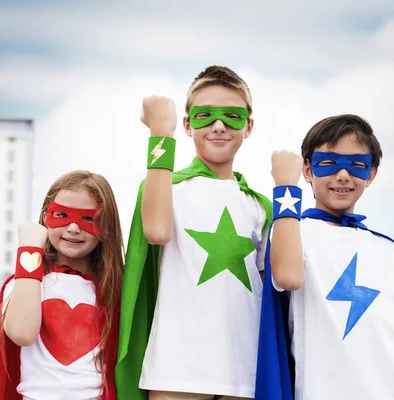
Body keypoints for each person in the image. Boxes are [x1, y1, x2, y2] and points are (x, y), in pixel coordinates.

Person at [116, 66, 275, 400]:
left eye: (232, 116)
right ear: (188, 124)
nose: (218, 125)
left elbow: (269, 292)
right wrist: (161, 132)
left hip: (243, 368)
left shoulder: (259, 206)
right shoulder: (165, 186)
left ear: (249, 126)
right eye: (205, 115)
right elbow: (156, 231)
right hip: (178, 368)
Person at [256, 114, 394, 400]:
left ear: (371, 174)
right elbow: (287, 276)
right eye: (329, 163)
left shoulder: (388, 249)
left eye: (357, 165)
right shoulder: (294, 232)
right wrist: (285, 186)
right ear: (307, 169)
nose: (343, 175)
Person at [0, 170, 124, 400]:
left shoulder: (114, 290)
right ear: (45, 216)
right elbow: (22, 333)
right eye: (61, 215)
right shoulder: (24, 284)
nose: (73, 228)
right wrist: (29, 249)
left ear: (106, 225)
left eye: (88, 219)